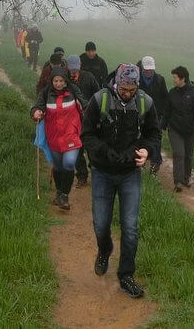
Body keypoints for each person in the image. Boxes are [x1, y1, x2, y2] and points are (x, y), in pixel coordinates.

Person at [81, 63, 161, 299]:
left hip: (129, 173)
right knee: (101, 223)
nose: (127, 93)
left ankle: (126, 275)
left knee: (131, 228)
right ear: (116, 83)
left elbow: (153, 134)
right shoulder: (99, 100)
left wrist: (146, 150)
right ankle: (105, 249)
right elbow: (86, 134)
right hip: (102, 172)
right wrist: (103, 151)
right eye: (124, 89)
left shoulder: (145, 103)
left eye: (132, 89)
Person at [31, 65, 86, 210]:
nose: (58, 83)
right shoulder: (46, 93)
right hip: (53, 136)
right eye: (56, 81)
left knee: (68, 163)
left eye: (61, 80)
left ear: (66, 81)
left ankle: (64, 196)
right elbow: (37, 106)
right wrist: (36, 112)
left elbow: (84, 104)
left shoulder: (73, 90)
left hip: (71, 135)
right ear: (52, 81)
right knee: (58, 166)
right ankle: (59, 192)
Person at [163, 65, 194, 192]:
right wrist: (162, 125)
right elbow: (167, 111)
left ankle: (186, 178)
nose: (173, 80)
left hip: (191, 131)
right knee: (179, 153)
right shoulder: (172, 92)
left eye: (175, 78)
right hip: (175, 129)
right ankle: (178, 182)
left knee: (188, 155)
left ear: (183, 79)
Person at [65, 54, 100, 187]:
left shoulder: (89, 77)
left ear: (80, 67)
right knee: (77, 149)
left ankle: (96, 173)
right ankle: (81, 176)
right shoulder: (65, 80)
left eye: (76, 69)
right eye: (71, 69)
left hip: (89, 118)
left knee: (92, 147)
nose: (74, 71)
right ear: (67, 67)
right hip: (72, 120)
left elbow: (98, 94)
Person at [137, 56, 168, 174]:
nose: (149, 71)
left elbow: (165, 98)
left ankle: (155, 163)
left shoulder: (160, 80)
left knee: (156, 139)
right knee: (140, 137)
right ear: (142, 68)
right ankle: (141, 161)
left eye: (151, 69)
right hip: (140, 114)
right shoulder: (137, 79)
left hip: (156, 115)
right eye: (146, 69)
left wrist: (164, 117)